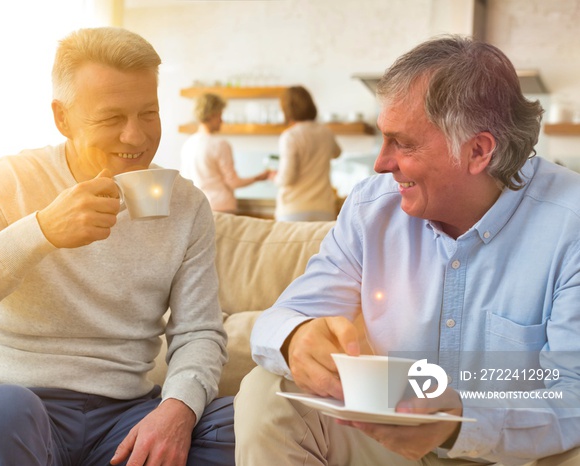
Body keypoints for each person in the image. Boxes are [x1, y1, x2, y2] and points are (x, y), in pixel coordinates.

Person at [235, 35, 580, 465]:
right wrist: (294, 339)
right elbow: (282, 317)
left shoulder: (571, 223)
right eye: (383, 139)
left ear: (478, 150)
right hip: (391, 432)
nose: (380, 163)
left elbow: (574, 398)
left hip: (507, 450)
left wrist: (458, 421)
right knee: (268, 392)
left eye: (403, 143)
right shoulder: (370, 206)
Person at [0, 27, 234, 466]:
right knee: (2, 413)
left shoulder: (186, 204)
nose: (136, 137)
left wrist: (177, 411)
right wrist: (40, 232)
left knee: (249, 420)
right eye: (112, 118)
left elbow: (198, 332)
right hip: (15, 404)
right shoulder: (12, 181)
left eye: (148, 113)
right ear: (63, 118)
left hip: (125, 415)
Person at [180, 93, 269, 212]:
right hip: (221, 207)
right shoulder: (220, 144)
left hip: (197, 208)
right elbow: (233, 182)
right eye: (220, 115)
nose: (222, 120)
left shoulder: (188, 144)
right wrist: (258, 178)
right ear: (211, 115)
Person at [272, 85, 341, 222]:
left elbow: (287, 178)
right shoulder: (326, 132)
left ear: (287, 109)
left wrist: (274, 176)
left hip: (294, 209)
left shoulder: (290, 136)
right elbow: (337, 153)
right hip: (324, 209)